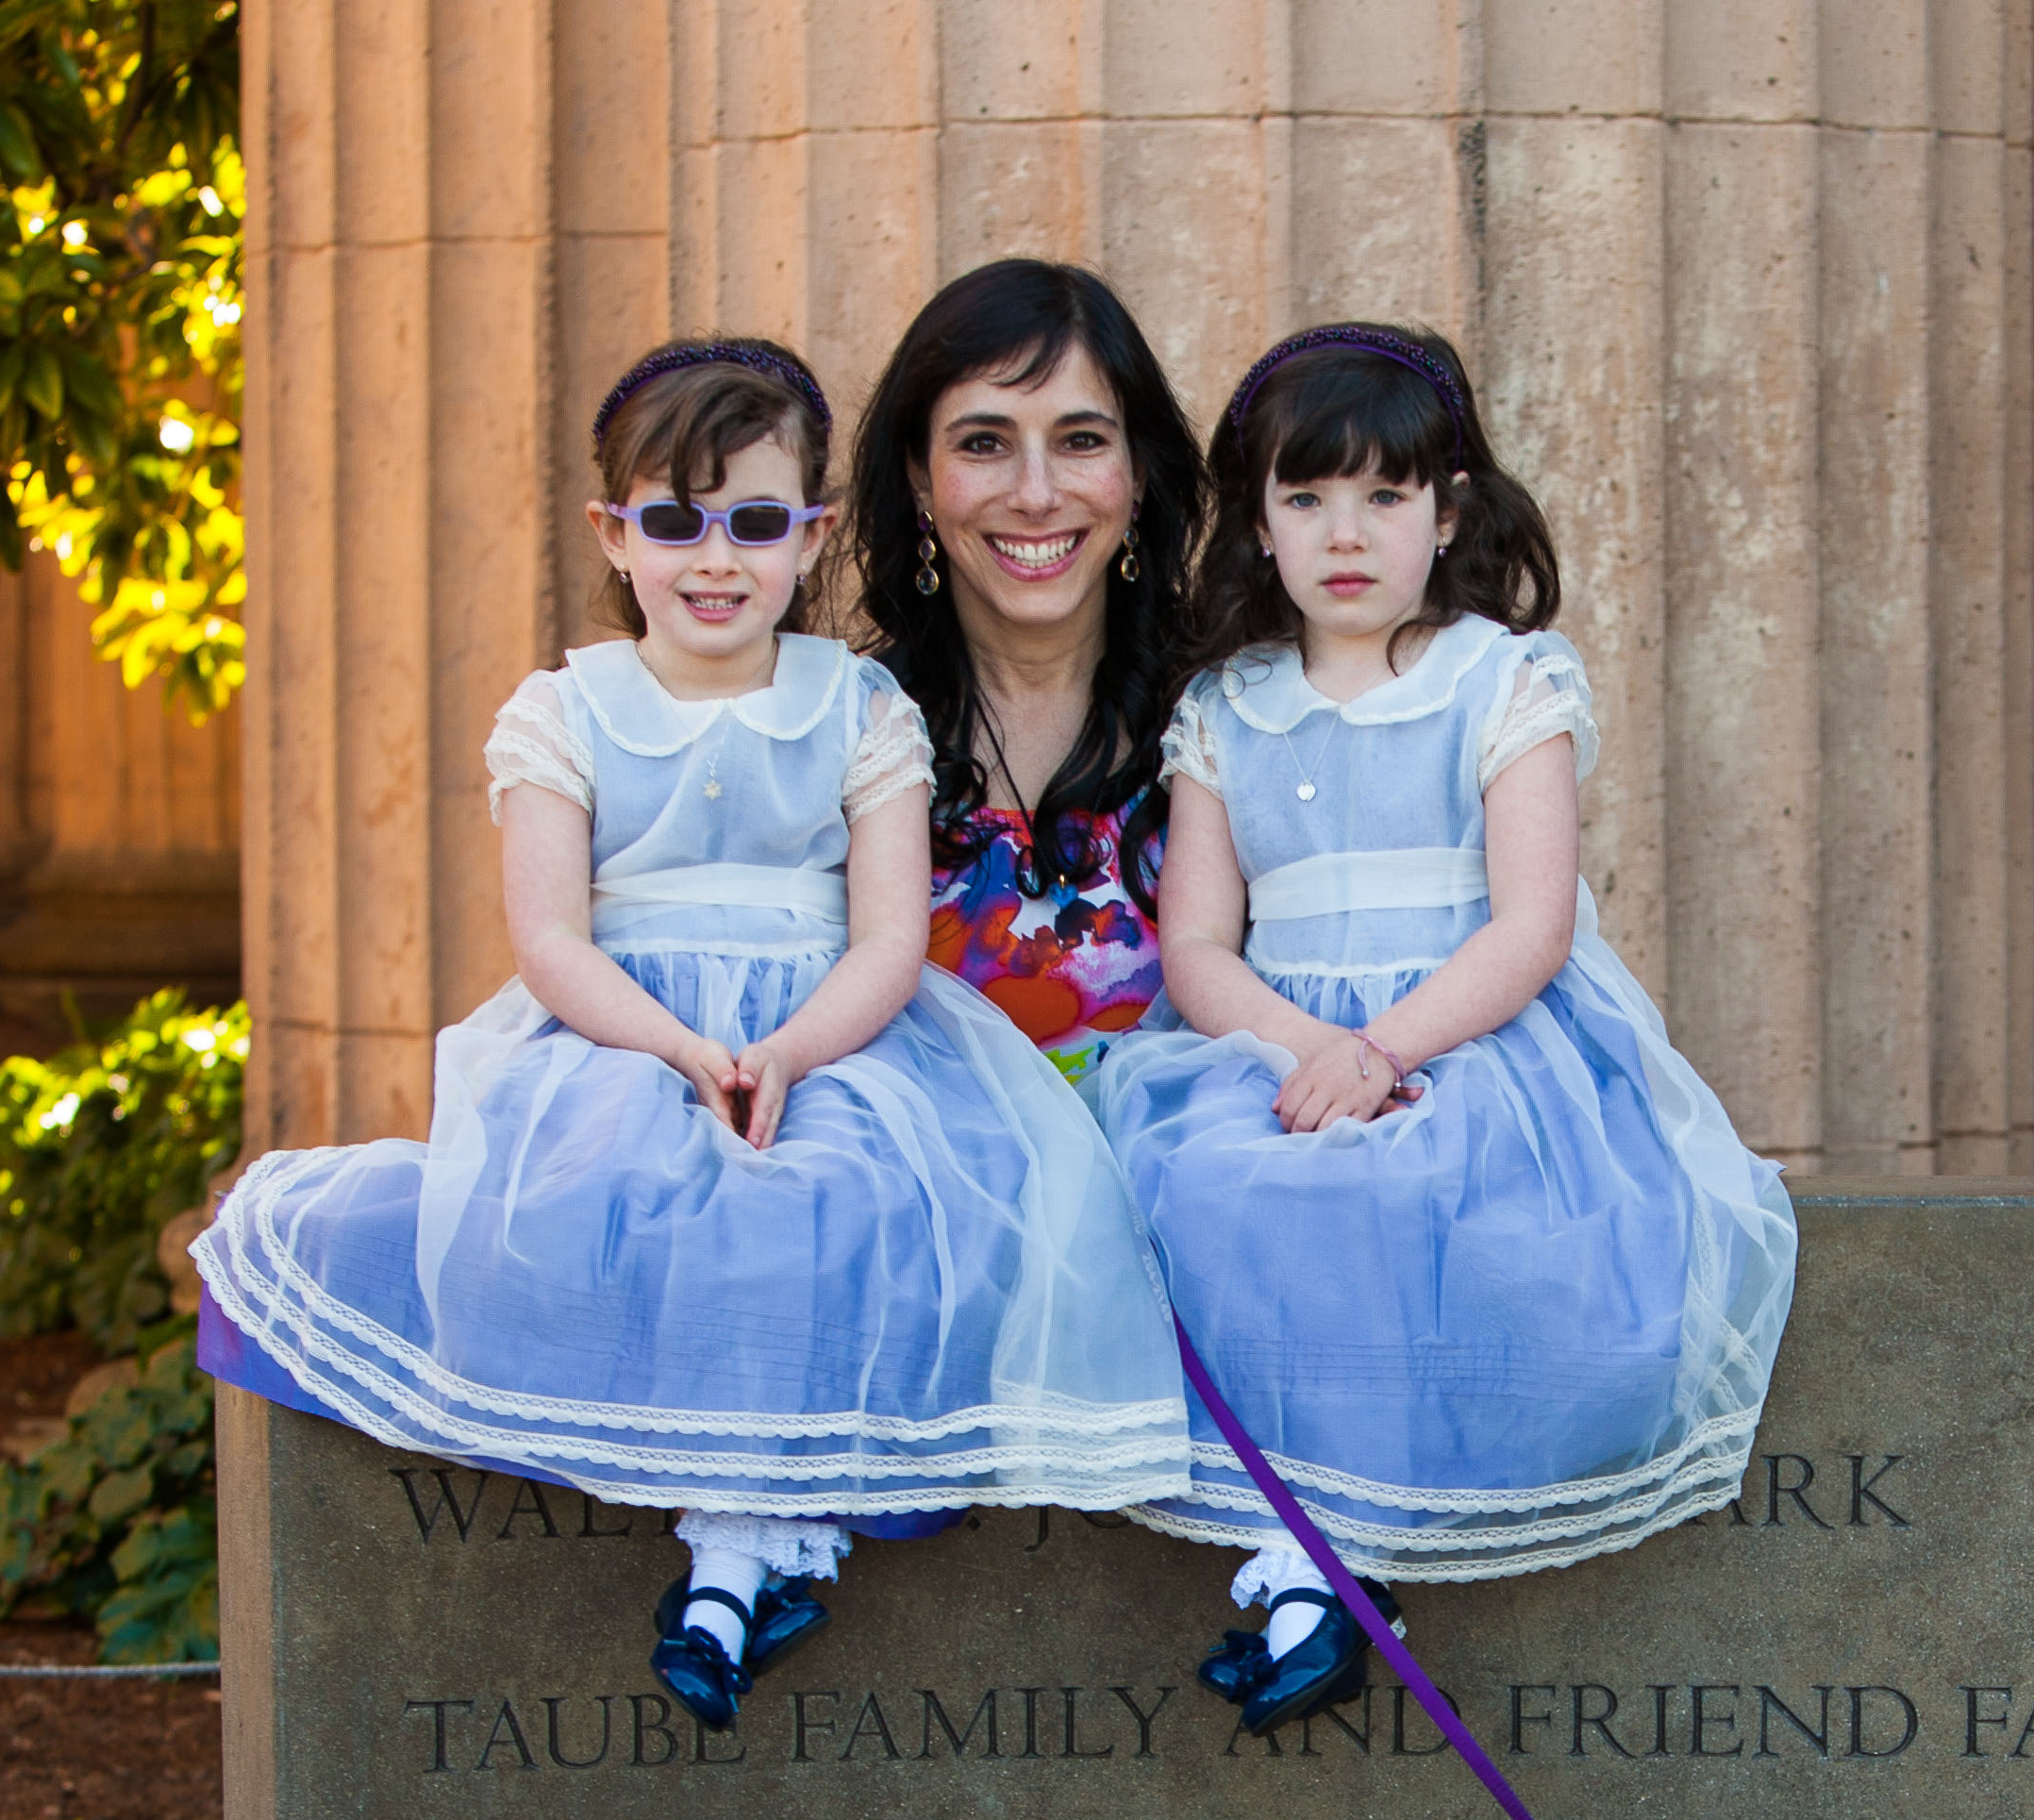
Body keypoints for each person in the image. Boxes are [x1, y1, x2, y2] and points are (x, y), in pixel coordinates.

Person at [192, 337, 1187, 1726]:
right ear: (615, 531)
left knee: (837, 1201)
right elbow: (550, 940)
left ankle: (752, 1551)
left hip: (832, 1040)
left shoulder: (856, 707)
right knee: (650, 1202)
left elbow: (891, 939)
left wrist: (785, 1053)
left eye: (757, 523)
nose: (714, 559)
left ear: (813, 533)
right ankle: (743, 1544)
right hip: (621, 1038)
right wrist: (671, 1052)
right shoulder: (568, 712)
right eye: (674, 522)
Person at [1095, 322, 1799, 1731]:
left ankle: (1325, 1565)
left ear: (1450, 510)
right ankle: (1315, 1564)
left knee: (1421, 1200)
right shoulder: (1226, 710)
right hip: (1277, 1042)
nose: (1343, 534)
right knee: (1216, 1195)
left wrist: (1388, 1053)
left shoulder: (1503, 680)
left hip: (1470, 1042)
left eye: (1383, 497)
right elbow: (1195, 944)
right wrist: (1311, 1056)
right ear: (1260, 522)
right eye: (1305, 499)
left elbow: (1530, 924)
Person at [846, 261, 1207, 1085]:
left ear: (1140, 472)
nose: (1037, 494)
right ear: (918, 477)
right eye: (984, 443)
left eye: (1081, 441)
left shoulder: (1235, 726)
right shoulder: (841, 735)